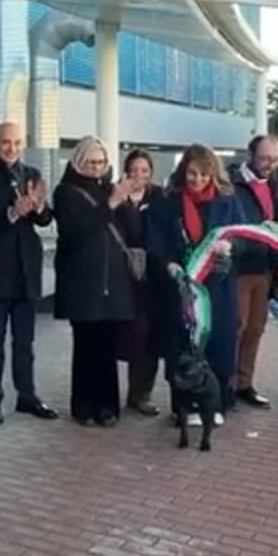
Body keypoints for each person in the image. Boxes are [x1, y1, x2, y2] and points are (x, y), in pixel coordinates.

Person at [0, 122, 58, 422]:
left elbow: (44, 220)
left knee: (25, 341)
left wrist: (40, 206)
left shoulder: (31, 174)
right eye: (6, 142)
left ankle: (27, 396)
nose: (12, 148)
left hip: (26, 270)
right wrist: (12, 212)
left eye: (17, 143)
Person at [149, 145, 245, 422]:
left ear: (213, 174)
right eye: (192, 173)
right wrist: (167, 263)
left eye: (204, 174)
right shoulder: (168, 202)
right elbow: (155, 241)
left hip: (218, 287)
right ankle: (185, 406)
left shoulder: (228, 201)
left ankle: (216, 404)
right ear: (183, 172)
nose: (198, 180)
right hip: (181, 287)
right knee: (183, 345)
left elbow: (244, 236)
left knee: (219, 343)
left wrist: (231, 246)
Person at [51, 136, 137, 426]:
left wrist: (129, 203)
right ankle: (84, 407)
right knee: (86, 346)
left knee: (107, 348)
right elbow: (77, 230)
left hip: (113, 283)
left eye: (100, 162)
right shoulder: (66, 192)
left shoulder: (112, 189)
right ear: (78, 162)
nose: (95, 168)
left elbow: (132, 232)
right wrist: (110, 204)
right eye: (90, 162)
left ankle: (108, 407)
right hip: (82, 285)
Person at [229, 135, 278, 408]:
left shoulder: (272, 184)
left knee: (255, 328)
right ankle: (225, 383)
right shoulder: (233, 184)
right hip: (239, 267)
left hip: (264, 267)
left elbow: (272, 224)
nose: (270, 165)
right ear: (251, 154)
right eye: (265, 158)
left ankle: (244, 382)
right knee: (235, 327)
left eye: (275, 160)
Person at [115, 149, 164, 415]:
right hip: (122, 275)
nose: (139, 177)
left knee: (148, 337)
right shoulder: (117, 196)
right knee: (122, 335)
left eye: (144, 171)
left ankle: (141, 393)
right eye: (134, 171)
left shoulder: (159, 197)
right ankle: (111, 392)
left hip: (150, 276)